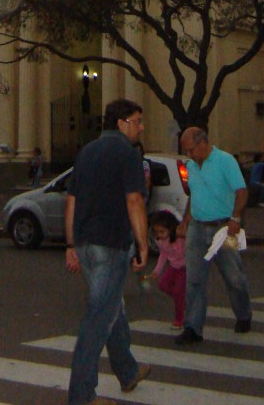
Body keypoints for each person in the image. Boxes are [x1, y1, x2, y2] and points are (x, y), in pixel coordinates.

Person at [64, 99, 151, 405]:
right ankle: (82, 397)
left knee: (113, 308)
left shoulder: (86, 152)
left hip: (86, 244)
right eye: (137, 121)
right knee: (98, 319)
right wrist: (143, 244)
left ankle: (127, 372)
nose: (141, 127)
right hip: (111, 244)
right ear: (122, 123)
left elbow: (71, 201)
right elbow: (134, 201)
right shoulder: (127, 154)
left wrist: (71, 244)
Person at [175, 127, 252, 345]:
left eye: (191, 150)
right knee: (195, 280)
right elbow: (194, 196)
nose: (189, 155)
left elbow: (241, 191)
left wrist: (235, 219)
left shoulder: (225, 161)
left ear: (202, 143)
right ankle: (193, 327)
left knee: (234, 277)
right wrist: (185, 220)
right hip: (197, 229)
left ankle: (244, 314)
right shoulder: (191, 166)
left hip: (223, 227)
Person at [143, 211, 187, 329]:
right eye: (157, 231)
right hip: (173, 266)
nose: (159, 234)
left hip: (184, 267)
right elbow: (163, 255)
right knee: (163, 285)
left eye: (162, 231)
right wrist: (157, 270)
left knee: (178, 291)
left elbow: (184, 252)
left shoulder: (180, 239)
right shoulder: (160, 240)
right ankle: (182, 300)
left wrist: (178, 242)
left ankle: (179, 319)